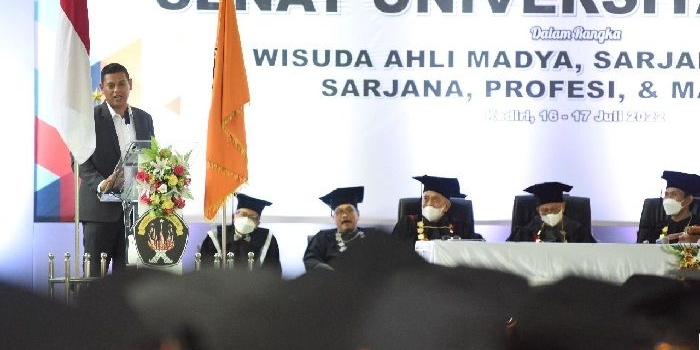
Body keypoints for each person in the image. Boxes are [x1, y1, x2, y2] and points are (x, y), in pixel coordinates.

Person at [77, 62, 155, 275]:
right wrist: (101, 184)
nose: (116, 90)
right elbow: (78, 160)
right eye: (110, 85)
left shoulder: (144, 118)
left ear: (130, 85)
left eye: (121, 84)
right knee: (94, 280)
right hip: (99, 213)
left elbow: (150, 158)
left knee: (129, 285)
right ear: (102, 88)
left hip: (135, 215)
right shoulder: (89, 119)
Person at [199, 193, 281, 276]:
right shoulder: (216, 236)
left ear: (258, 223)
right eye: (243, 214)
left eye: (252, 216)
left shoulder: (267, 238)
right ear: (234, 216)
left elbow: (274, 270)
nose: (246, 219)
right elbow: (203, 268)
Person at [392, 175, 482, 244]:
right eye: (426, 198)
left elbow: (476, 246)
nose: (429, 203)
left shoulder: (460, 227)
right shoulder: (408, 224)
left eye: (435, 199)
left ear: (446, 206)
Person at [303, 186, 377, 271]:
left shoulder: (372, 236)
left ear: (358, 214)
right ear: (333, 217)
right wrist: (329, 271)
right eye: (339, 212)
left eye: (349, 210)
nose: (345, 215)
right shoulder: (322, 238)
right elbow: (310, 260)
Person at [506, 181, 596, 243]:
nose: (550, 213)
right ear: (538, 210)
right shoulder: (523, 232)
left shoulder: (579, 231)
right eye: (545, 210)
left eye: (555, 209)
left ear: (563, 207)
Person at [640, 170, 700, 244]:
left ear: (688, 200)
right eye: (666, 194)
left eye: (674, 194)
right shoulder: (657, 227)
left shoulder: (697, 228)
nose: (668, 199)